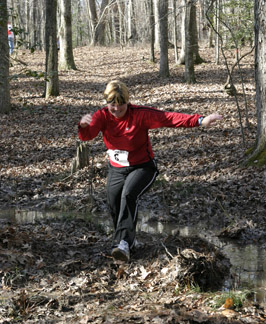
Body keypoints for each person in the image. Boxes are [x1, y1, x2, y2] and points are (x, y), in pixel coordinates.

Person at [78, 80, 222, 263]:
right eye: (112, 105)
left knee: (128, 195)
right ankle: (126, 241)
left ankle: (122, 244)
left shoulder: (140, 114)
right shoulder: (102, 116)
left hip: (143, 167)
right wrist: (83, 126)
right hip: (116, 168)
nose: (115, 109)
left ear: (127, 103)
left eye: (120, 105)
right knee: (114, 202)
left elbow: (168, 118)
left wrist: (201, 120)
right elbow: (87, 136)